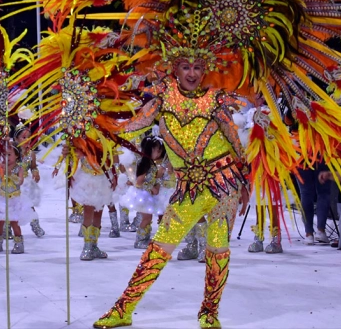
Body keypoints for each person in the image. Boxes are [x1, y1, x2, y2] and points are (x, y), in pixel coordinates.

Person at [93, 59, 249, 329]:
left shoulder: (215, 100)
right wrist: (94, 122)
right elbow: (131, 126)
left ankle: (209, 312)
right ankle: (123, 309)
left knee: (217, 249)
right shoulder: (162, 98)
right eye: (186, 66)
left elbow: (236, 145)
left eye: (198, 67)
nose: (192, 73)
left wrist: (245, 183)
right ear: (175, 68)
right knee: (159, 247)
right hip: (187, 189)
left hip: (223, 186)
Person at [120, 135, 171, 248]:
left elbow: (153, 178)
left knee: (148, 218)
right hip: (143, 195)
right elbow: (139, 182)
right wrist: (151, 188)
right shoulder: (146, 163)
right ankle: (140, 240)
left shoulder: (151, 163)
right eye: (157, 150)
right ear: (150, 149)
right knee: (146, 218)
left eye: (160, 150)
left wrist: (156, 185)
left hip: (147, 195)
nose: (159, 153)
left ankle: (145, 239)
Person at [0, 140, 32, 254]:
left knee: (14, 222)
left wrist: (10, 173)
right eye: (4, 154)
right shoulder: (1, 167)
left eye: (9, 154)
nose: (6, 157)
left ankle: (19, 243)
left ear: (16, 155)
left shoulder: (19, 168)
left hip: (14, 200)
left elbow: (20, 182)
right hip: (1, 199)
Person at [297, 161, 333, 245]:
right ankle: (321, 231)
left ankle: (309, 234)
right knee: (324, 192)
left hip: (301, 154)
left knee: (306, 193)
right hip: (322, 153)